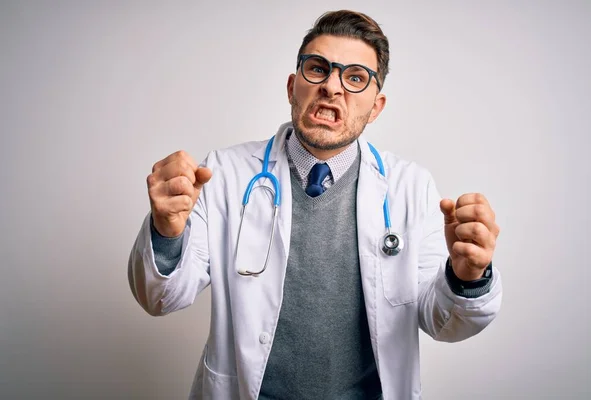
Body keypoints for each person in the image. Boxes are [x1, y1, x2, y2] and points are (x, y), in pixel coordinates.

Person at [128, 9, 502, 400]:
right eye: (318, 68)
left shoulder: (411, 187)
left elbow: (443, 321)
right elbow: (160, 297)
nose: (332, 87)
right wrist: (167, 229)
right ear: (293, 87)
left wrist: (468, 277)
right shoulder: (224, 173)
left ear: (376, 107)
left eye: (355, 77)